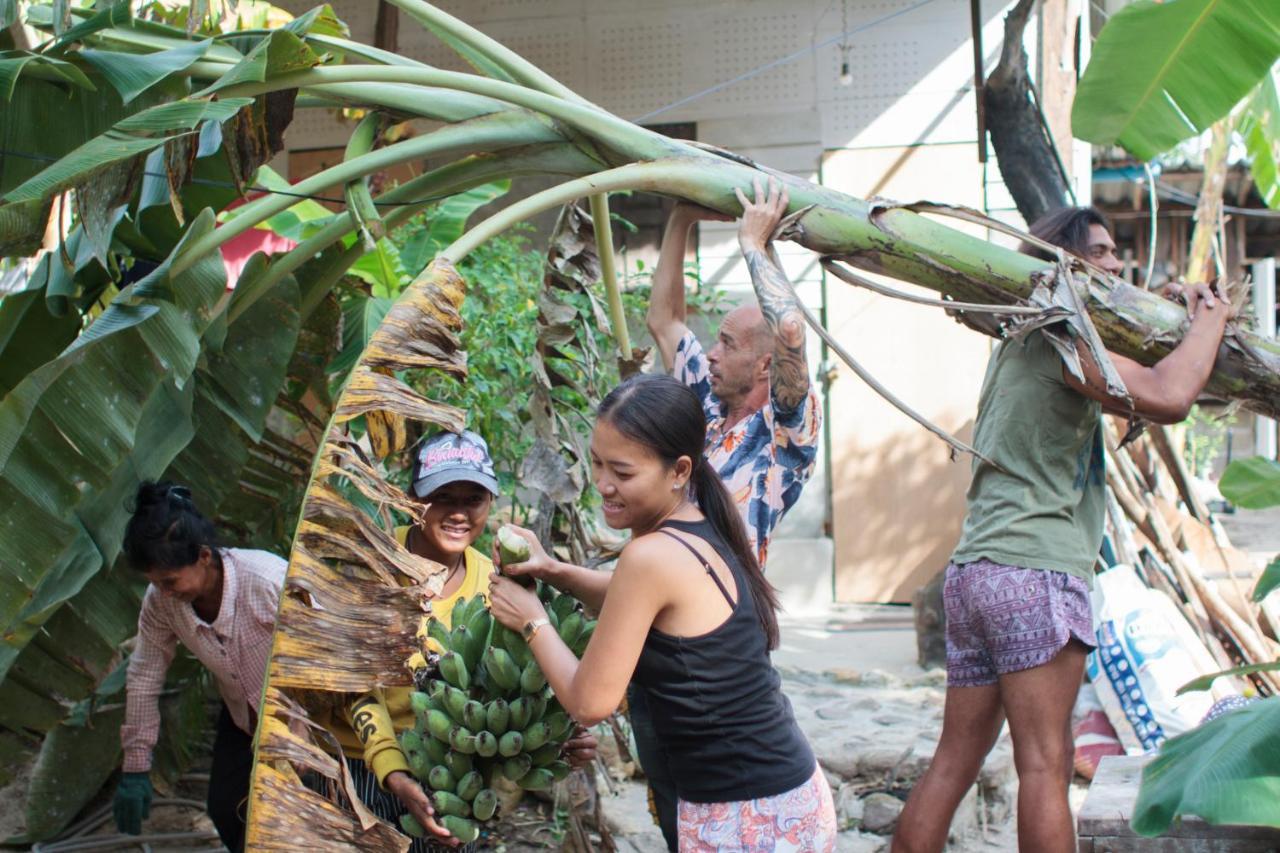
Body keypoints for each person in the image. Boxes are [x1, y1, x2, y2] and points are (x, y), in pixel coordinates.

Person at [891, 206, 1232, 853]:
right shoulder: (1062, 336)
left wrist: (1159, 315)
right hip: (1033, 572)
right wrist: (1210, 319)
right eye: (1097, 253)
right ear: (1062, 262)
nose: (1112, 264)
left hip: (974, 575)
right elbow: (1168, 393)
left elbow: (1126, 369)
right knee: (1046, 766)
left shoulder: (1022, 339)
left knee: (952, 762)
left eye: (1112, 252)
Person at [489, 373, 837, 853]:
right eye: (596, 464)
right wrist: (550, 569)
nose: (604, 485)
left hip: (746, 815)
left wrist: (532, 620)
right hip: (782, 798)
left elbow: (590, 702)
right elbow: (631, 599)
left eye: (623, 472)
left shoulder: (650, 556)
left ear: (678, 471)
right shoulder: (701, 523)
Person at [637, 176, 823, 847]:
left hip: (717, 648)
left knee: (718, 801)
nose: (711, 352)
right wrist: (682, 218)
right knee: (672, 808)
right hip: (654, 633)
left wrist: (754, 245)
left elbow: (794, 330)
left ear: (766, 364)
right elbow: (664, 319)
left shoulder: (785, 439)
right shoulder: (705, 408)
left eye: (728, 344)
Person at [319, 430, 595, 851]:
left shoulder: (499, 587)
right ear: (415, 497)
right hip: (357, 765)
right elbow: (352, 683)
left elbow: (505, 692)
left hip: (448, 775)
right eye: (444, 497)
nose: (459, 514)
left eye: (473, 500)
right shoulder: (371, 564)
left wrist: (556, 740)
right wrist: (393, 771)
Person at [115, 482, 287, 852]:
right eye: (155, 583)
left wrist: (301, 737)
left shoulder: (269, 581)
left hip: (301, 722)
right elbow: (145, 674)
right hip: (243, 718)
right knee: (226, 810)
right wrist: (136, 764)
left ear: (204, 556)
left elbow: (326, 661)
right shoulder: (162, 603)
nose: (164, 592)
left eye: (170, 581)